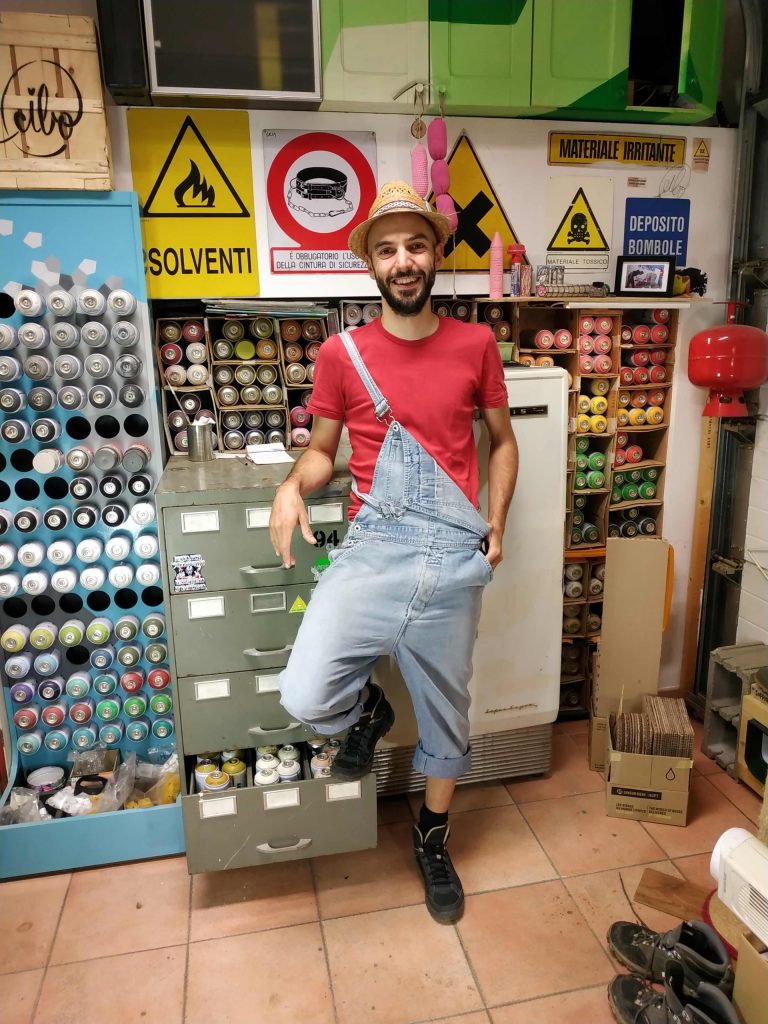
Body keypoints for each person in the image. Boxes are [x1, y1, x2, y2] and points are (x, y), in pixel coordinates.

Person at [269, 180, 518, 924]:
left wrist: (497, 521)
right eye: (386, 250)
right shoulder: (341, 353)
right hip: (374, 550)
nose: (402, 261)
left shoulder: (476, 344)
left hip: (453, 556)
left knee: (447, 719)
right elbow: (323, 452)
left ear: (436, 253)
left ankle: (432, 836)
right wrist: (290, 486)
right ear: (371, 264)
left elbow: (502, 442)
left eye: (415, 245)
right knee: (306, 694)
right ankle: (368, 709)